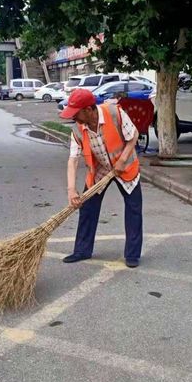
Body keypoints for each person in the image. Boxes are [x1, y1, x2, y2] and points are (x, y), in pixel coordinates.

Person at [59, 89, 143, 268]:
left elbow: (133, 135)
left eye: (77, 113)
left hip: (125, 166)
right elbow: (73, 159)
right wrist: (71, 189)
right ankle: (82, 250)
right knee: (88, 208)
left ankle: (132, 254)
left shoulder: (114, 112)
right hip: (100, 170)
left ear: (89, 109)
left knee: (133, 208)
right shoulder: (78, 129)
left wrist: (122, 160)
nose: (74, 118)